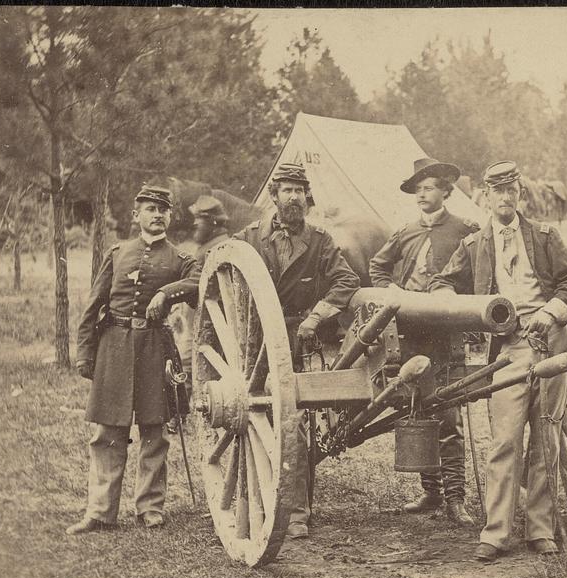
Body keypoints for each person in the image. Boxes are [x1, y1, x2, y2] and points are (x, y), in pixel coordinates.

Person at [429, 161, 567, 562]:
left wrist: (551, 312)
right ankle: (496, 532)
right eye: (497, 192)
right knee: (505, 439)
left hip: (552, 342)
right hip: (509, 350)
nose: (505, 198)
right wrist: (456, 307)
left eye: (511, 190)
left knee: (546, 437)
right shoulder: (474, 246)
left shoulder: (545, 237)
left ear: (520, 193)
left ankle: (540, 529)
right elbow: (442, 283)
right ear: (485, 196)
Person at [233, 162, 360, 539]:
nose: (293, 197)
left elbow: (347, 280)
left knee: (297, 425)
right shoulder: (250, 237)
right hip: (257, 344)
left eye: (299, 191)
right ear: (273, 196)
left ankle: (297, 512)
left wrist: (317, 317)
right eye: (286, 190)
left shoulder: (320, 240)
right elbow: (230, 273)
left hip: (299, 338)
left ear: (307, 198)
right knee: (257, 422)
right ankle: (256, 502)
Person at [67, 185, 202, 535]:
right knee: (107, 433)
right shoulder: (117, 253)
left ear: (170, 216)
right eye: (150, 209)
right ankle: (99, 511)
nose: (157, 215)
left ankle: (150, 507)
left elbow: (199, 280)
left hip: (155, 348)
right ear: (136, 215)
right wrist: (85, 354)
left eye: (163, 210)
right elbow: (93, 305)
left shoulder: (180, 258)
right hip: (114, 348)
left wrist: (165, 292)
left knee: (155, 432)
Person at [369, 157, 479, 527]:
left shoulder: (466, 230)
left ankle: (455, 499)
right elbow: (377, 268)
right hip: (413, 333)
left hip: (447, 334)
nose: (422, 194)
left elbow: (480, 274)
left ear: (446, 191)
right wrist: (393, 293)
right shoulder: (405, 232)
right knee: (417, 408)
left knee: (448, 414)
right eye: (417, 189)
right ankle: (431, 491)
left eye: (428, 187)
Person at [168, 194, 230, 429]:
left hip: (208, 320)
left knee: (185, 363)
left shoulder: (216, 248)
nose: (194, 226)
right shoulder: (209, 246)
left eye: (199, 221)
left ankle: (178, 418)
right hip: (199, 316)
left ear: (213, 222)